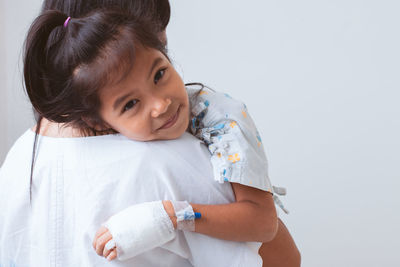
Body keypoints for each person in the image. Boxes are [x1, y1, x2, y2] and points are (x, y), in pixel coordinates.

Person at [0, 0, 300, 266]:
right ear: (95, 118)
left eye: (159, 72)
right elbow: (282, 260)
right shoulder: (171, 164)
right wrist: (173, 215)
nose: (161, 104)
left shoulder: (17, 159)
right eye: (130, 103)